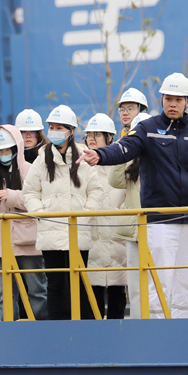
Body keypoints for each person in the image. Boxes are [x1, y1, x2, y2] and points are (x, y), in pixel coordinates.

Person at [80, 72, 188, 319]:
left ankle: (185, 332)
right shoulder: (147, 129)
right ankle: (159, 335)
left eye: (178, 99)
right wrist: (100, 155)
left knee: (187, 283)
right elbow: (124, 148)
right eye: (168, 99)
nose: (172, 104)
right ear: (162, 99)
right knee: (159, 281)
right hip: (160, 221)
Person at [24, 106, 103, 319]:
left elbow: (96, 190)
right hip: (51, 231)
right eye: (52, 127)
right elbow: (29, 191)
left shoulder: (83, 157)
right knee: (55, 284)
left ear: (71, 131)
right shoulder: (42, 159)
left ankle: (84, 327)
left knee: (81, 282)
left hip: (79, 230)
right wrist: (40, 213)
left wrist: (86, 213)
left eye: (59, 127)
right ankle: (56, 329)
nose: (54, 131)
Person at [0, 124, 48, 320]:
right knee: (5, 295)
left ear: (16, 149)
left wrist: (12, 196)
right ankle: (8, 331)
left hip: (28, 243)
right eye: (0, 151)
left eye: (7, 150)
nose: (3, 155)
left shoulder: (30, 170)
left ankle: (41, 329)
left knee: (37, 291)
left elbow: (41, 200)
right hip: (1, 245)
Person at [83, 113, 130, 319]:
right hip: (92, 244)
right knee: (91, 305)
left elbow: (128, 197)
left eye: (97, 134)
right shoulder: (81, 167)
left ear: (109, 138)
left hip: (117, 245)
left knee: (117, 302)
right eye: (89, 135)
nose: (91, 139)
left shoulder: (121, 165)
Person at [109, 114, 147, 318]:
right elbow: (115, 181)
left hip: (156, 229)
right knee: (135, 284)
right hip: (134, 231)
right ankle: (139, 323)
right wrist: (123, 148)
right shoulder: (132, 161)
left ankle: (157, 323)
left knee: (157, 281)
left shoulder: (164, 159)